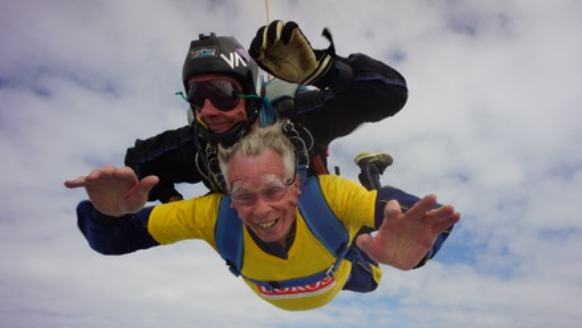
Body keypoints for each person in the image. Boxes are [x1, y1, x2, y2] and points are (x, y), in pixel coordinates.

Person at [65, 122, 461, 311]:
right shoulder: (211, 214)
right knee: (361, 233)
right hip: (319, 271)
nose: (260, 209)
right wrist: (107, 214)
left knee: (372, 253)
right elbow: (112, 239)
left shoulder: (328, 195)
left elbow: (415, 217)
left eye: (274, 189)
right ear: (227, 193)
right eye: (243, 194)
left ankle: (369, 178)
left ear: (296, 185)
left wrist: (422, 251)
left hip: (347, 268)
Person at [124, 20, 408, 202]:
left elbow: (389, 95)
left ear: (251, 95)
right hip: (259, 243)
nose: (208, 110)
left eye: (222, 93)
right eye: (197, 97)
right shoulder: (196, 145)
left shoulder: (298, 118)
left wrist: (323, 72)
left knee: (366, 271)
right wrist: (168, 197)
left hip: (319, 216)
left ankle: (370, 174)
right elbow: (136, 164)